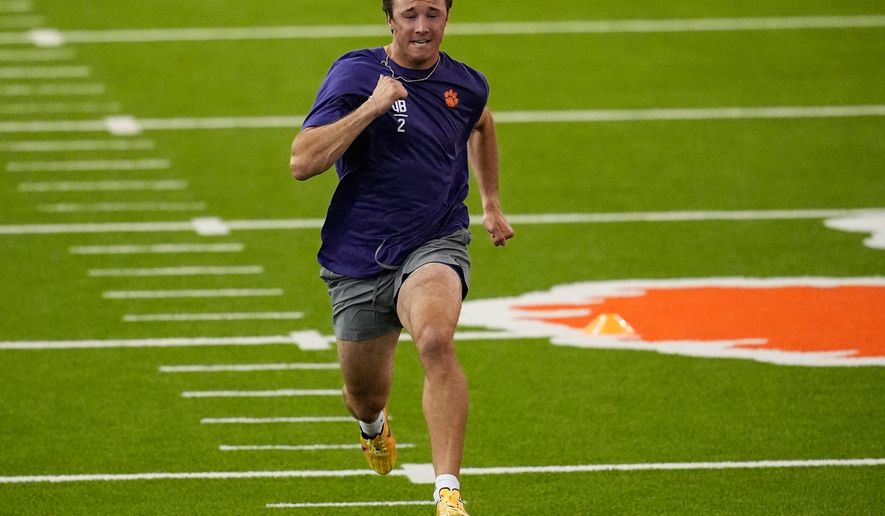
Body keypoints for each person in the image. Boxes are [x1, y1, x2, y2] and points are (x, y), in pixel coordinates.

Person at [289, 0, 513, 513]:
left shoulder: (467, 83)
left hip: (435, 239)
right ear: (389, 19)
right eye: (410, 13)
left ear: (447, 18)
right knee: (364, 395)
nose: (422, 26)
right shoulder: (356, 73)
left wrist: (492, 202)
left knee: (435, 340)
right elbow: (302, 162)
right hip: (359, 253)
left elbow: (482, 124)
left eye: (433, 13)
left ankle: (448, 493)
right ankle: (373, 427)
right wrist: (373, 105)